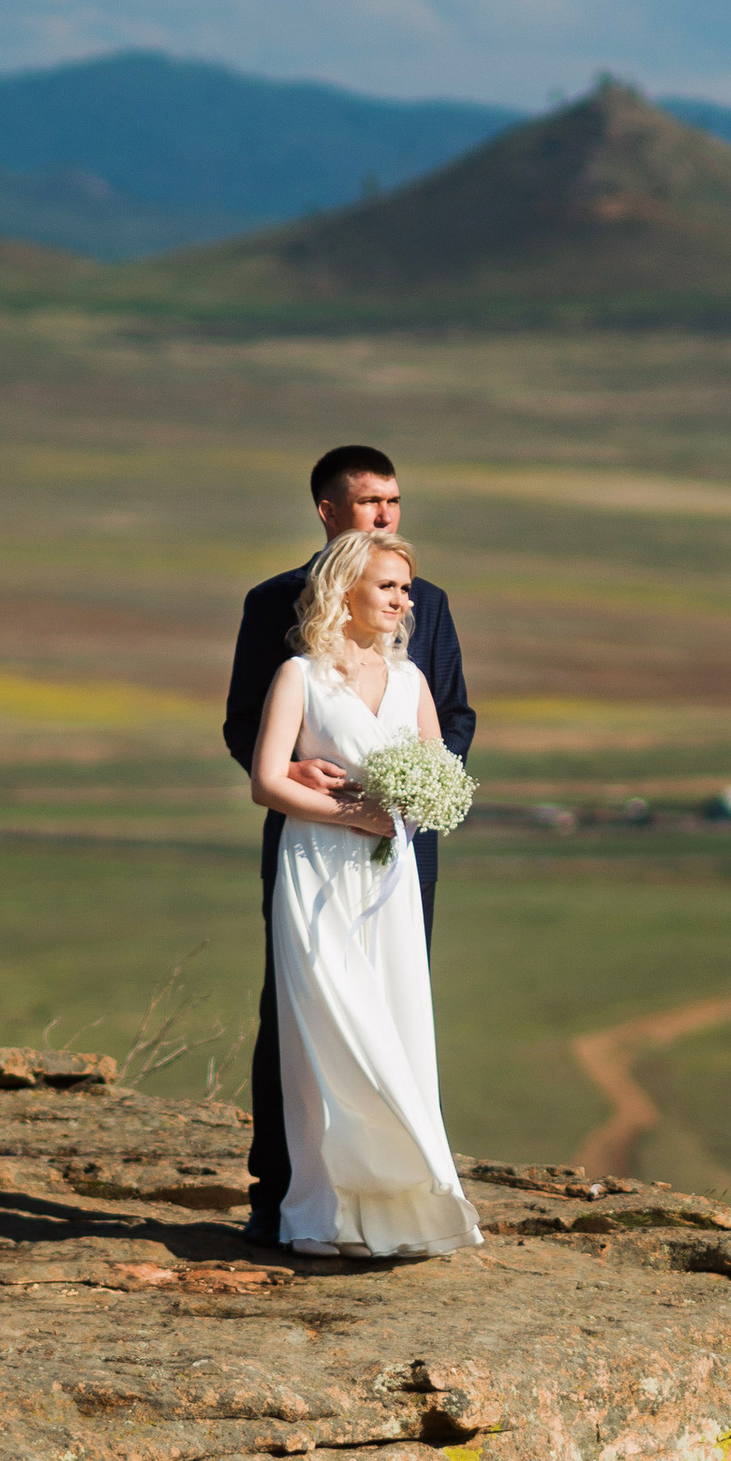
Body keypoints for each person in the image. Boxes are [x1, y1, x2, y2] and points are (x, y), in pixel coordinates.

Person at [223, 444, 474, 1246]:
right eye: (369, 501)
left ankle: (401, 1187)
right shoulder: (274, 605)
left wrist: (412, 796)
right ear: (328, 511)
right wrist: (305, 777)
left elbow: (454, 720)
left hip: (402, 855)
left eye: (394, 500)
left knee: (392, 1010)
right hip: (309, 848)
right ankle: (282, 1193)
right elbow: (245, 726)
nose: (386, 514)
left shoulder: (425, 599)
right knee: (297, 1017)